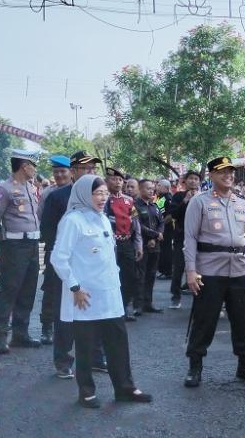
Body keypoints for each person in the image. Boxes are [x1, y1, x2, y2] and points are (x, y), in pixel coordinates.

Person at [50, 175, 152, 408]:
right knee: (85, 346)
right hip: (85, 295)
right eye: (97, 193)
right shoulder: (72, 221)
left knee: (118, 342)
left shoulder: (103, 219)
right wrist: (74, 286)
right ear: (84, 194)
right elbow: (59, 258)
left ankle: (125, 388)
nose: (102, 198)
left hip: (109, 293)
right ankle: (86, 391)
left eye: (105, 193)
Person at [182, 156, 245, 388]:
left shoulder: (242, 204)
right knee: (204, 321)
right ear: (212, 176)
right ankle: (195, 367)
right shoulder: (199, 202)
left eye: (230, 171)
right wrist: (190, 271)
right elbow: (190, 238)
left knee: (241, 319)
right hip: (209, 271)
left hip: (238, 271)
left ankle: (244, 365)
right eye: (222, 171)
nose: (228, 175)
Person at [40, 151, 105, 379]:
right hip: (67, 265)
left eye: (93, 169)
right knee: (65, 314)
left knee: (95, 310)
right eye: (85, 169)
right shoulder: (58, 197)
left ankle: (96, 357)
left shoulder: (99, 197)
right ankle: (64, 360)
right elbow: (47, 233)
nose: (90, 173)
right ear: (74, 171)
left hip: (93, 266)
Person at [0, 153, 42, 353]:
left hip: (32, 244)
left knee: (28, 289)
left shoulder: (31, 187)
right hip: (13, 246)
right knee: (9, 290)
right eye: (33, 165)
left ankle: (21, 333)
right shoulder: (4, 189)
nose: (35, 169)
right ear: (24, 166)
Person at [37, 155, 73, 344]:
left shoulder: (78, 192)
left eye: (62, 171)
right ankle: (46, 327)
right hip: (54, 249)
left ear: (70, 172)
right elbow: (42, 221)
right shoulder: (48, 194)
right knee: (51, 288)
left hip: (76, 252)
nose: (59, 175)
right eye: (56, 172)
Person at [104, 167, 143, 320]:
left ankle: (124, 307)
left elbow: (136, 223)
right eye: (114, 179)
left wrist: (138, 244)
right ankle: (110, 310)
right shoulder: (103, 199)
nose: (118, 182)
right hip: (109, 245)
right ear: (107, 181)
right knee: (111, 277)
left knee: (129, 276)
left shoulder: (129, 200)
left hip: (126, 243)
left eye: (120, 180)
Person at [165, 170, 200, 309]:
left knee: (199, 270)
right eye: (190, 178)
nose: (193, 181)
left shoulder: (204, 196)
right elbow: (173, 214)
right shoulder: (178, 196)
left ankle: (199, 295)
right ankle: (175, 296)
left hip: (199, 238)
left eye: (196, 179)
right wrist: (185, 201)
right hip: (181, 237)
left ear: (199, 182)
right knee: (178, 268)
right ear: (185, 181)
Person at [133, 178, 164, 314]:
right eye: (148, 188)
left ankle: (148, 303)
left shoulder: (155, 206)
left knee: (151, 275)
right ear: (140, 189)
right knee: (140, 275)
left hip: (155, 246)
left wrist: (157, 236)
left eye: (152, 188)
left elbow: (161, 222)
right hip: (142, 246)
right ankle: (138, 305)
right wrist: (155, 235)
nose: (151, 191)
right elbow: (138, 225)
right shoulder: (135, 206)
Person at [155, 179, 173, 279]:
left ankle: (168, 272)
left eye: (159, 185)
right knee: (162, 249)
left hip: (166, 229)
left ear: (166, 187)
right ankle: (162, 270)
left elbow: (170, 215)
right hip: (160, 228)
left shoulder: (168, 198)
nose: (157, 187)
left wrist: (161, 226)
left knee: (166, 250)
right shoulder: (159, 197)